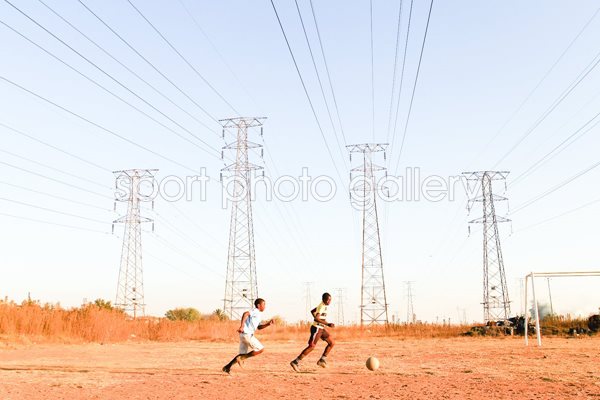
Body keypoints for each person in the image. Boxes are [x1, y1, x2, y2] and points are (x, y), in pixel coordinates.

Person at [222, 298, 274, 374]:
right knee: (260, 349)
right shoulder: (256, 311)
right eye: (264, 304)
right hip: (247, 334)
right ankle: (241, 358)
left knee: (241, 354)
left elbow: (258, 327)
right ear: (259, 305)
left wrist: (268, 324)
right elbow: (245, 313)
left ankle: (227, 367)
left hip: (243, 335)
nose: (265, 306)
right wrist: (242, 326)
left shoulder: (258, 314)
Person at [290, 292, 335, 372]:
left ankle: (322, 360)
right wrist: (327, 324)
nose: (329, 302)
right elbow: (316, 318)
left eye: (330, 300)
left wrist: (323, 323)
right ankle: (295, 362)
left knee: (332, 343)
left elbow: (312, 311)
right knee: (312, 346)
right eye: (328, 300)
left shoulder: (323, 306)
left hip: (321, 328)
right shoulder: (321, 306)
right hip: (317, 328)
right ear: (324, 299)